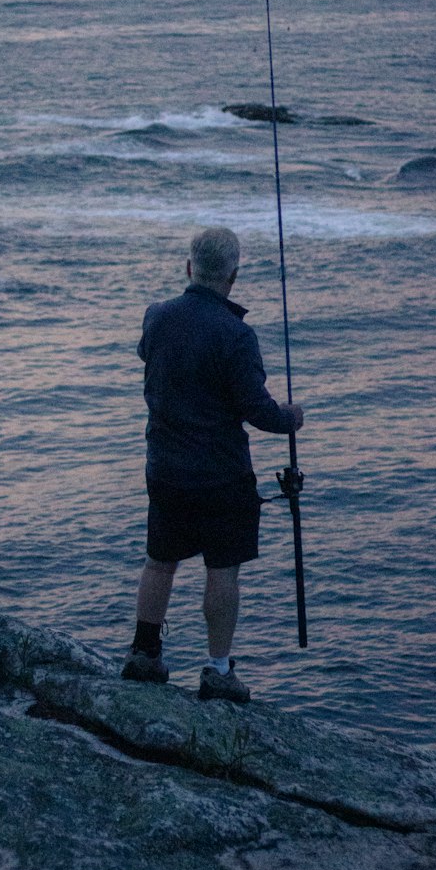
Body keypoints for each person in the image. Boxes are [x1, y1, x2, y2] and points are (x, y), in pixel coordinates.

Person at [123, 226, 304, 702]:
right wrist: (292, 418)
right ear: (234, 277)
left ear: (189, 268)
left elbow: (150, 359)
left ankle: (144, 655)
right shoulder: (237, 334)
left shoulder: (155, 317)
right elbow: (259, 411)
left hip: (165, 468)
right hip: (222, 476)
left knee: (160, 562)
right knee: (221, 571)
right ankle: (218, 671)